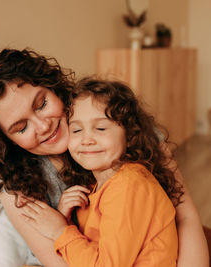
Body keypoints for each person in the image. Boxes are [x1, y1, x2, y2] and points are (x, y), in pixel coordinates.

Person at [0, 48, 209, 266]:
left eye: (42, 104)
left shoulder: (126, 130)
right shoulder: (14, 186)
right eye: (21, 128)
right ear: (7, 143)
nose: (43, 126)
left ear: (54, 88)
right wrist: (62, 222)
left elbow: (185, 215)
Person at [20, 77, 181, 266]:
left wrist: (60, 231)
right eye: (77, 130)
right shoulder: (98, 186)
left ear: (129, 134)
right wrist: (65, 220)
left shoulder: (129, 185)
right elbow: (89, 250)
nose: (87, 139)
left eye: (101, 128)